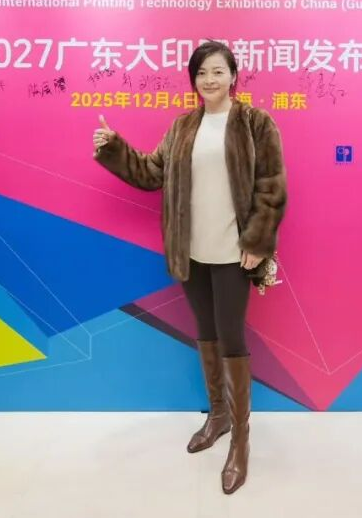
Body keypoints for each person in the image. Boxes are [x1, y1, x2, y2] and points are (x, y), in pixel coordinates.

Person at [92, 39, 288, 494]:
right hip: (192, 250)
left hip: (235, 251)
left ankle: (241, 442)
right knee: (206, 332)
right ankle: (218, 416)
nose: (209, 79)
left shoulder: (257, 123)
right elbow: (150, 173)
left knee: (232, 338)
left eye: (218, 71)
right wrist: (114, 148)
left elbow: (272, 187)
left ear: (234, 76)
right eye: (201, 73)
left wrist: (257, 242)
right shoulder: (183, 127)